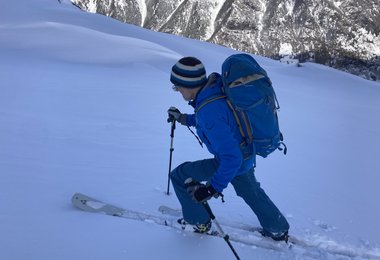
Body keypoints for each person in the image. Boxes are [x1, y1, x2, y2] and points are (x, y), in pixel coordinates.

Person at [167, 56, 289, 241]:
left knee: (180, 175)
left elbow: (230, 157)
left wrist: (211, 189)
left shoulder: (208, 110)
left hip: (233, 161)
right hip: (246, 154)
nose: (177, 91)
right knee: (251, 192)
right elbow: (219, 120)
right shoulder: (214, 90)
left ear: (189, 85)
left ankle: (198, 222)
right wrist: (184, 118)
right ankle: (277, 227)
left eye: (178, 87)